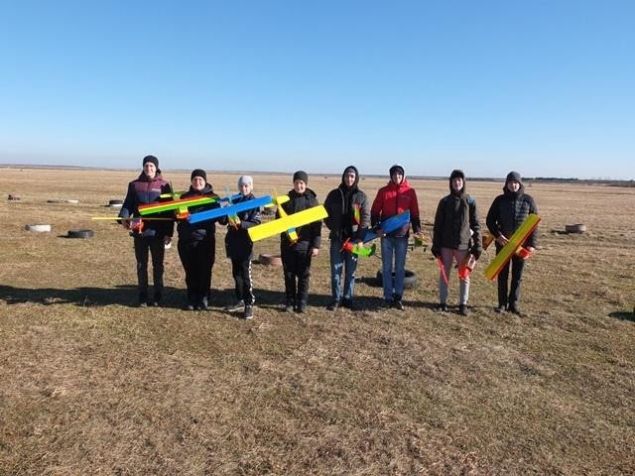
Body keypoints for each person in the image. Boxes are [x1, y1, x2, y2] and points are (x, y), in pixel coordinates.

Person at [119, 155, 174, 307]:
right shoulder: (134, 185)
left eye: (151, 166)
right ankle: (142, 295)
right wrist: (123, 217)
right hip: (140, 233)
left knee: (158, 265)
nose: (149, 168)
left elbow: (169, 213)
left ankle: (158, 294)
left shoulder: (164, 185)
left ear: (156, 168)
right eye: (146, 166)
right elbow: (128, 204)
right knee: (141, 265)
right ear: (143, 167)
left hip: (157, 233)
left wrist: (168, 233)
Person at [486, 171, 538, 315]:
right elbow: (490, 221)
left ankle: (513, 304)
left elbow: (534, 224)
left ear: (520, 184)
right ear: (506, 184)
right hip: (503, 245)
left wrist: (532, 244)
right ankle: (502, 304)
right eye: (510, 183)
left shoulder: (528, 200)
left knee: (517, 276)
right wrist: (498, 236)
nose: (513, 185)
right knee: (502, 275)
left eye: (516, 183)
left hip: (521, 247)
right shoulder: (499, 200)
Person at [370, 164, 422, 310]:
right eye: (394, 174)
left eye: (399, 174)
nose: (397, 177)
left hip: (402, 236)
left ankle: (398, 297)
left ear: (403, 176)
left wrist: (417, 230)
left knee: (399, 268)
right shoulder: (383, 191)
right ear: (391, 176)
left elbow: (415, 212)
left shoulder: (410, 192)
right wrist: (377, 228)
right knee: (387, 267)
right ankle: (387, 297)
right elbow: (375, 211)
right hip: (386, 236)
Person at [431, 169, 482, 316]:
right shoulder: (444, 202)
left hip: (463, 245)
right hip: (445, 245)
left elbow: (476, 225)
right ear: (451, 183)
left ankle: (463, 304)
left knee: (464, 275)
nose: (457, 183)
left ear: (463, 182)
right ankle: (442, 303)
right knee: (444, 274)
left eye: (459, 180)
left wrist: (477, 246)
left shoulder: (470, 201)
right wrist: (436, 245)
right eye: (454, 180)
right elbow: (438, 225)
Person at [323, 165, 370, 311]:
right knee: (336, 271)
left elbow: (365, 218)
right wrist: (333, 227)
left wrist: (360, 237)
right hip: (337, 239)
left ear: (356, 178)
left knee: (351, 271)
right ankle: (336, 299)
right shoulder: (334, 194)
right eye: (347, 176)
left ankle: (348, 298)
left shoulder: (361, 196)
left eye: (352, 176)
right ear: (343, 177)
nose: (349, 179)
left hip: (353, 240)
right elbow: (325, 212)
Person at [176, 169, 220, 311]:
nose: (197, 182)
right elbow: (176, 216)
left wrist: (226, 210)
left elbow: (221, 218)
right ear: (191, 181)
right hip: (186, 240)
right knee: (190, 270)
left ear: (205, 181)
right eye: (195, 179)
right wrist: (177, 214)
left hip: (205, 240)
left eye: (200, 179)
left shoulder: (213, 198)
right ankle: (192, 297)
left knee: (205, 270)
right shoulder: (184, 197)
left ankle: (204, 297)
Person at [279, 171, 321, 313]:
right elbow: (279, 221)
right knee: (289, 274)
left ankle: (302, 301)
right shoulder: (286, 199)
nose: (299, 185)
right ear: (293, 183)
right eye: (297, 183)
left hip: (305, 244)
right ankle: (290, 301)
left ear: (306, 184)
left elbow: (317, 226)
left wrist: (315, 245)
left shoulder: (312, 201)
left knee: (303, 274)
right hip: (288, 244)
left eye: (302, 183)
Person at [221, 175, 261, 320]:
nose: (244, 188)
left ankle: (249, 303)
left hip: (245, 244)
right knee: (236, 274)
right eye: (241, 186)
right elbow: (223, 221)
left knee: (245, 275)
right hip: (233, 243)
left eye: (246, 186)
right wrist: (224, 210)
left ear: (251, 187)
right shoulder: (235, 200)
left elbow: (256, 222)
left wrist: (241, 224)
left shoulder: (255, 202)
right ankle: (240, 299)